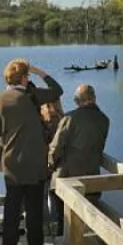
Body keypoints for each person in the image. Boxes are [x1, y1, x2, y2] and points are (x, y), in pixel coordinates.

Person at [0, 58, 63, 245]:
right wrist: (41, 72)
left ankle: (10, 244)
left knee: (12, 204)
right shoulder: (32, 96)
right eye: (28, 75)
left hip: (11, 160)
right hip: (34, 161)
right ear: (24, 78)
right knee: (33, 205)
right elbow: (58, 90)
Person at [48, 84, 110, 236]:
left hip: (67, 176)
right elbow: (99, 146)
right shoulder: (104, 120)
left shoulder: (70, 118)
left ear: (76, 101)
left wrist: (50, 164)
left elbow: (55, 148)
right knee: (86, 217)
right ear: (94, 98)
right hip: (91, 176)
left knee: (64, 219)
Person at [40, 99, 65, 233]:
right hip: (58, 163)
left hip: (44, 162)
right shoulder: (63, 120)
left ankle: (45, 225)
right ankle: (56, 224)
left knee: (43, 195)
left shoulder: (42, 122)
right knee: (55, 195)